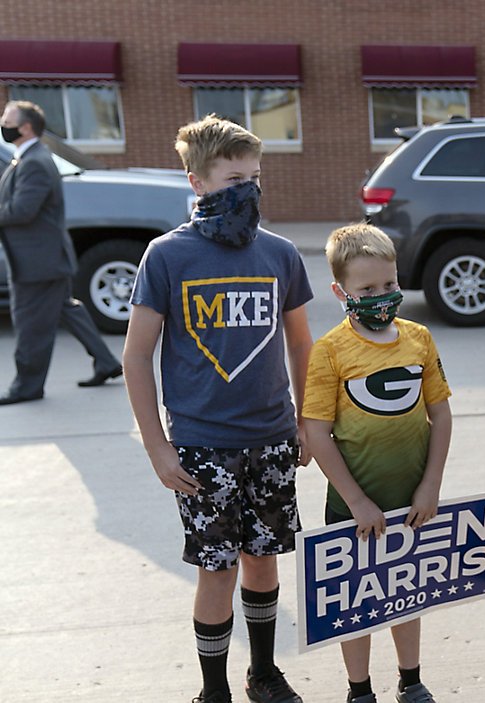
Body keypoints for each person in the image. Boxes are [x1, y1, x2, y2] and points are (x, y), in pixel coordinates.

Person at [122, 115, 313, 703]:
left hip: (274, 437)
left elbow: (301, 342)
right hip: (202, 448)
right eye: (233, 178)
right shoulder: (167, 256)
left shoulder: (279, 253)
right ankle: (214, 689)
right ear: (197, 182)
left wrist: (308, 420)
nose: (247, 190)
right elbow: (136, 357)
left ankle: (263, 672)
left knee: (263, 561)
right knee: (218, 569)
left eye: (255, 177)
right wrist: (157, 446)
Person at [302, 224, 452, 703]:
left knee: (407, 593)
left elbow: (441, 414)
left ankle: (411, 680)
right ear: (340, 291)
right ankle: (359, 689)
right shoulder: (328, 351)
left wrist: (430, 485)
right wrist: (357, 500)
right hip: (352, 506)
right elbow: (316, 434)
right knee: (356, 601)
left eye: (388, 284)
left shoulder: (419, 339)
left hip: (410, 497)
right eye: (366, 289)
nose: (381, 296)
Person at [0, 100, 122, 405]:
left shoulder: (35, 163)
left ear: (25, 126)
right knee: (67, 309)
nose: (3, 123)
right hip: (46, 260)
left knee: (30, 325)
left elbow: (22, 211)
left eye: (7, 118)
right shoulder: (28, 159)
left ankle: (27, 386)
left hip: (38, 264)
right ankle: (107, 362)